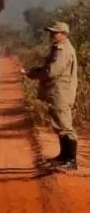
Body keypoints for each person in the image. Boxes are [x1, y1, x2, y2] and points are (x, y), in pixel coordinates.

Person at [22, 21, 78, 170]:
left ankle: (71, 160)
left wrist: (33, 73)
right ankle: (63, 157)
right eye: (51, 32)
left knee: (65, 125)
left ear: (63, 33)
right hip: (57, 91)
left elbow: (52, 71)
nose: (52, 35)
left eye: (55, 32)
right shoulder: (59, 47)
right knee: (59, 123)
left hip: (61, 91)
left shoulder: (62, 49)